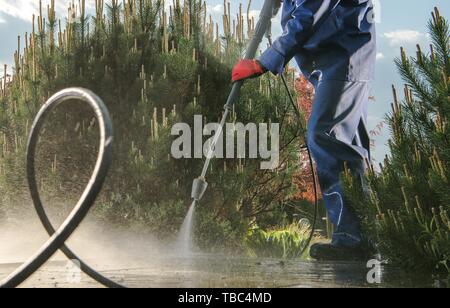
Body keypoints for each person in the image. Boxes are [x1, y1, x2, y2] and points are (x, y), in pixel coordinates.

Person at [232, 0, 376, 261]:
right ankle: (364, 238)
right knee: (349, 145)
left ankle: (353, 241)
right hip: (337, 56)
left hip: (343, 55)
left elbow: (308, 15)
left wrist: (264, 62)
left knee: (325, 136)